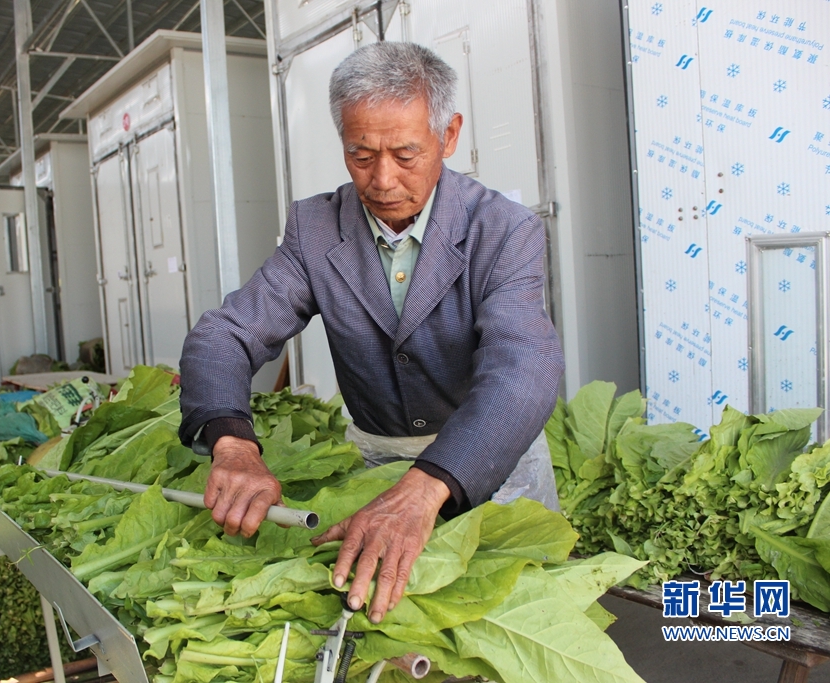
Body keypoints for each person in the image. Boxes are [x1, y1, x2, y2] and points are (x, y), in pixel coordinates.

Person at [178, 42, 564, 625]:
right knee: (392, 628)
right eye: (361, 155)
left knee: (523, 619)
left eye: (406, 154)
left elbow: (522, 372)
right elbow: (227, 334)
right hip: (377, 460)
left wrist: (428, 484)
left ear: (449, 135)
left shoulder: (503, 229)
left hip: (491, 460)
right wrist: (232, 443)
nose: (382, 180)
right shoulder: (316, 227)